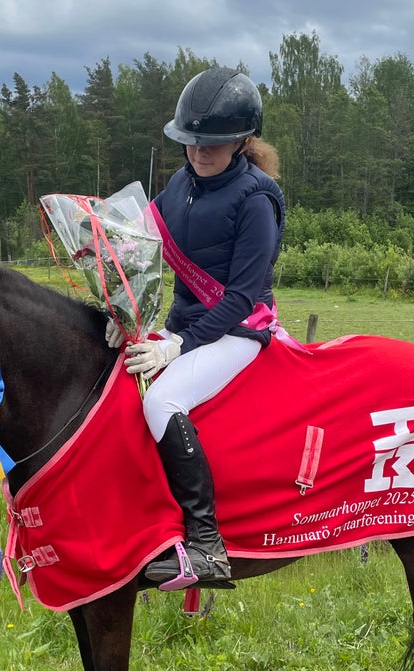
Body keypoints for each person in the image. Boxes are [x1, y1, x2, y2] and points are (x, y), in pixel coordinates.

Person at [109, 66, 285, 587]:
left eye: (213, 144)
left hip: (238, 331)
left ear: (243, 141)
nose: (199, 152)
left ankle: (207, 545)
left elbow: (241, 297)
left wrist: (178, 345)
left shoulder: (257, 199)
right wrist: (124, 310)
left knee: (161, 401)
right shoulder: (179, 184)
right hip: (183, 325)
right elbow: (139, 247)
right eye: (190, 141)